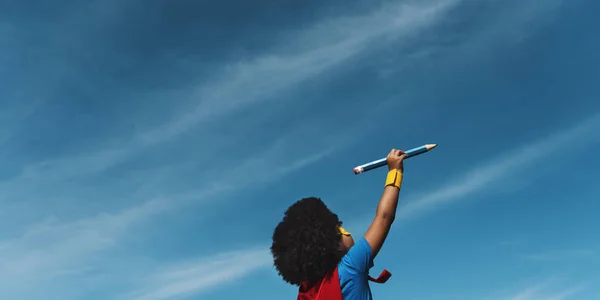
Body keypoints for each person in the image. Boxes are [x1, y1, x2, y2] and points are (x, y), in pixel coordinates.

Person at [271, 149, 407, 300]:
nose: (348, 233)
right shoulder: (350, 266)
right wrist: (395, 171)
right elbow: (384, 217)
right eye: (341, 229)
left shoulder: (308, 292)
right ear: (334, 245)